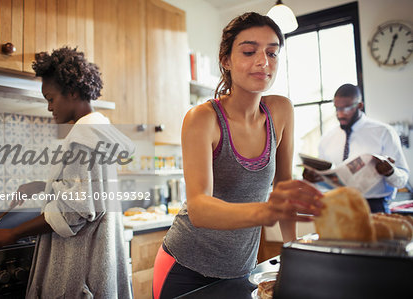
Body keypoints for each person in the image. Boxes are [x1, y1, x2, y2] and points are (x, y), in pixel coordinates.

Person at [152, 12, 323, 299]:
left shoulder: (280, 111)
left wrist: (293, 254)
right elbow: (200, 207)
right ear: (226, 60)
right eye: (249, 51)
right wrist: (267, 210)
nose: (263, 62)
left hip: (241, 268)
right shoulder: (203, 118)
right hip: (184, 268)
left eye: (272, 53)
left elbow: (284, 187)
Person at [0, 47, 134, 299]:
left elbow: (74, 211)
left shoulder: (83, 136)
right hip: (98, 260)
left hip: (81, 271)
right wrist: (42, 187)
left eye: (51, 98)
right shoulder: (98, 129)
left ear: (72, 92)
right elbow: (87, 191)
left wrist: (13, 233)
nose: (48, 107)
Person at [303, 84, 410, 213]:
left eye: (346, 108)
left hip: (374, 208)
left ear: (359, 106)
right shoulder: (327, 139)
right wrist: (313, 179)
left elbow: (402, 180)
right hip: (337, 207)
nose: (340, 114)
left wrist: (390, 172)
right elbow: (324, 181)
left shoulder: (384, 132)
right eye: (337, 108)